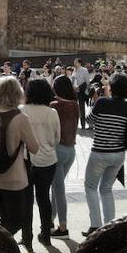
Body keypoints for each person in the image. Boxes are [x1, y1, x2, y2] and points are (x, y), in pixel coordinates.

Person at [0, 76, 39, 248]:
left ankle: (2, 250)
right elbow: (34, 148)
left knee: (5, 217)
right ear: (18, 94)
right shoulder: (20, 118)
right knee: (17, 220)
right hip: (13, 178)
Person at [83, 73, 127, 236]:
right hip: (118, 154)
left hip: (100, 152)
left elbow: (88, 120)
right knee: (106, 189)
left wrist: (97, 100)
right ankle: (110, 225)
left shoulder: (103, 102)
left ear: (111, 87)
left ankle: (95, 225)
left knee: (90, 187)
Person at [21, 77, 61, 245]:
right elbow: (56, 139)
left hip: (26, 161)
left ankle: (27, 239)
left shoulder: (21, 110)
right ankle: (45, 235)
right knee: (44, 198)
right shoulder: (52, 112)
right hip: (48, 160)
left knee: (26, 200)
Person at [48, 75, 78, 237]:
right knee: (57, 187)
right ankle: (51, 220)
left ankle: (63, 227)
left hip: (57, 150)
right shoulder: (75, 104)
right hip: (71, 151)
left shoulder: (54, 105)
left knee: (58, 189)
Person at [72, 59, 91, 128]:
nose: (74, 64)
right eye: (74, 63)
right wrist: (74, 87)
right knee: (74, 107)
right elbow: (73, 80)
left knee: (82, 108)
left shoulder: (84, 70)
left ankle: (83, 124)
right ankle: (75, 124)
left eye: (76, 63)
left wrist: (86, 91)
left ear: (79, 63)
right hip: (75, 91)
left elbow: (88, 82)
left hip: (82, 91)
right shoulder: (74, 70)